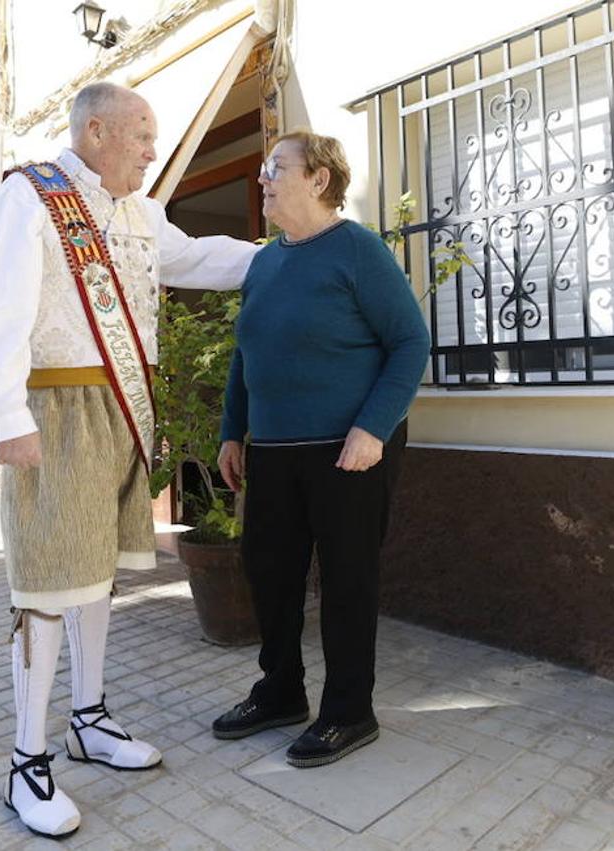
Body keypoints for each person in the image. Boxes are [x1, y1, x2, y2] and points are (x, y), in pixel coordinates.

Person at [0, 82, 257, 839]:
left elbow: (197, 258)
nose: (153, 151)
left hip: (125, 409)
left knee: (96, 575)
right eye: (142, 135)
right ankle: (26, 761)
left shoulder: (142, 212)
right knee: (48, 580)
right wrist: (6, 416)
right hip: (53, 414)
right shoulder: (28, 198)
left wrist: (283, 251)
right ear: (96, 131)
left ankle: (88, 719)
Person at [212, 131, 430, 767]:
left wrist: (374, 428)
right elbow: (245, 353)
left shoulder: (357, 250)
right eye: (262, 169)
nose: (263, 179)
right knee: (270, 574)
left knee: (346, 582)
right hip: (275, 451)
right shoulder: (265, 262)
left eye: (276, 168)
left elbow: (410, 343)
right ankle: (280, 692)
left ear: (319, 180)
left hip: (349, 448)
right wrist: (233, 428)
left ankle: (348, 712)